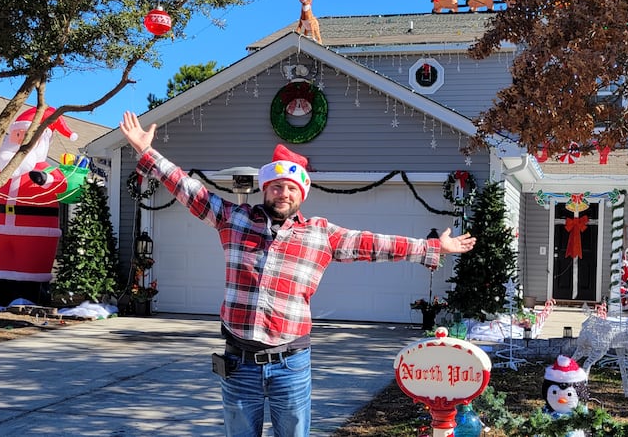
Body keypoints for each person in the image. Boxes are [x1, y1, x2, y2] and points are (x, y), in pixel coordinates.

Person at [119, 111, 476, 437]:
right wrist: (148, 154)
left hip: (291, 365)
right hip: (239, 363)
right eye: (276, 185)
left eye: (291, 187)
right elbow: (189, 190)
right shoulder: (235, 220)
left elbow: (373, 243)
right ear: (265, 188)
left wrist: (432, 248)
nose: (283, 192)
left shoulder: (320, 234)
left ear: (301, 193)